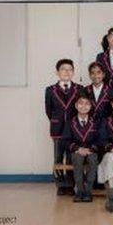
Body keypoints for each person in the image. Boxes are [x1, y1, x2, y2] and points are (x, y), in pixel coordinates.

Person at [44, 58, 80, 196]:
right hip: (57, 129)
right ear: (57, 72)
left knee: (71, 158)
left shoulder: (79, 89)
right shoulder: (50, 90)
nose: (66, 72)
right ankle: (60, 185)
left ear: (73, 72)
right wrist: (56, 121)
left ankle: (70, 185)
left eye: (70, 69)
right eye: (63, 69)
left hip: (74, 130)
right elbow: (48, 110)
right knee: (58, 158)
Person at [63, 95, 99, 201]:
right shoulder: (70, 122)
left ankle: (88, 191)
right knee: (77, 159)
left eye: (87, 103)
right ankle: (80, 190)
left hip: (91, 150)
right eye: (81, 103)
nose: (83, 106)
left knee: (93, 159)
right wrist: (78, 149)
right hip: (76, 150)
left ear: (91, 106)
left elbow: (100, 140)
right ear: (76, 105)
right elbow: (65, 141)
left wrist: (90, 149)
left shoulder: (96, 122)